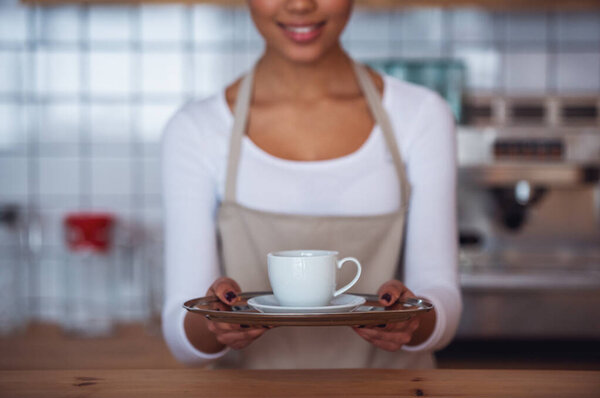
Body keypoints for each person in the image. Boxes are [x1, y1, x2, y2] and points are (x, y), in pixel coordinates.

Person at [161, 0, 461, 369]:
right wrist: (215, 325)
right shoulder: (196, 128)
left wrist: (414, 321)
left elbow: (441, 293)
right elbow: (181, 332)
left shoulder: (421, 115)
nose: (300, 5)